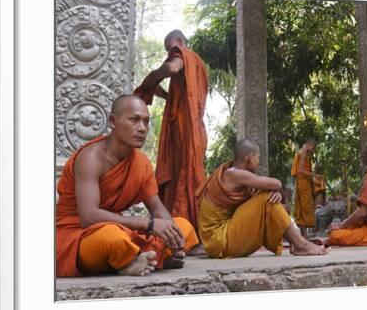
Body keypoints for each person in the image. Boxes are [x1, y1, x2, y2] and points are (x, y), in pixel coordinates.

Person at [56, 95, 199, 277]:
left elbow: (157, 209)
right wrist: (148, 225)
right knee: (112, 239)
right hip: (78, 235)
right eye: (134, 120)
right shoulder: (91, 158)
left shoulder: (141, 163)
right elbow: (88, 217)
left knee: (182, 225)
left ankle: (134, 260)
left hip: (121, 230)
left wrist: (174, 239)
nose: (142, 128)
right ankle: (145, 258)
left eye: (146, 122)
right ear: (113, 121)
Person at [196, 138, 329, 259]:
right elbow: (276, 183)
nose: (259, 162)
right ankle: (300, 245)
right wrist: (275, 189)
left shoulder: (238, 176)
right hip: (219, 240)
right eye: (258, 158)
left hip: (222, 237)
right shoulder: (234, 174)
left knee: (272, 200)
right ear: (249, 158)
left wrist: (277, 193)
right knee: (267, 198)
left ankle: (297, 244)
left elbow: (257, 201)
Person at [133, 30, 208, 229]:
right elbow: (183, 95)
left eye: (171, 48)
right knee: (183, 174)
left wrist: (153, 76)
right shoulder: (199, 65)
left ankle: (187, 227)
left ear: (180, 43)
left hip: (185, 128)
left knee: (185, 173)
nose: (170, 53)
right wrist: (164, 93)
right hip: (195, 127)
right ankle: (183, 225)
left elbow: (172, 68)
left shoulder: (186, 56)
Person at [291, 138, 318, 238]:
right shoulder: (302, 154)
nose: (313, 150)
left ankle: (304, 234)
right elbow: (301, 171)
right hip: (303, 183)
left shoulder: (305, 154)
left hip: (304, 183)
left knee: (304, 207)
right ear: (309, 145)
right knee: (305, 207)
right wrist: (314, 175)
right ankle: (304, 234)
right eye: (313, 148)